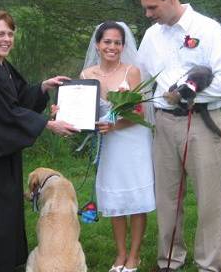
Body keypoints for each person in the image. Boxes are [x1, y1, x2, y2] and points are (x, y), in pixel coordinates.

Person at [0, 10, 79, 272]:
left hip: (0, 158)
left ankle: (6, 262)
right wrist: (47, 123)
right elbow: (2, 117)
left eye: (10, 33)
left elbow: (18, 99)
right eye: (0, 33)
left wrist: (43, 87)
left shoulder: (0, 66)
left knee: (4, 212)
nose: (6, 39)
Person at [137, 0, 221, 272]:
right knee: (166, 199)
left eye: (153, 7)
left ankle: (209, 265)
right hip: (164, 126)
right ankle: (169, 261)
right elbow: (143, 83)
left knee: (209, 200)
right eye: (145, 8)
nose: (148, 14)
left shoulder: (208, 29)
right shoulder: (151, 36)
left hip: (203, 124)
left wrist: (184, 96)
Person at [80, 21, 156, 272]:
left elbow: (139, 112)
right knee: (115, 198)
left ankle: (134, 255)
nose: (112, 47)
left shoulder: (131, 72)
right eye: (107, 42)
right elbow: (82, 110)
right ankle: (120, 254)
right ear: (97, 44)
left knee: (135, 198)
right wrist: (63, 113)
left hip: (131, 141)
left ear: (124, 46)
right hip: (108, 144)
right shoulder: (87, 75)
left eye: (117, 42)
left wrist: (114, 125)